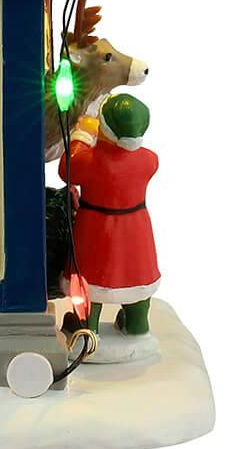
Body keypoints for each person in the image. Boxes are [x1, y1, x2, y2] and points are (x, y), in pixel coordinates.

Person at [59, 93, 159, 336]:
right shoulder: (149, 160)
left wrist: (82, 135)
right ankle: (136, 323)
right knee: (136, 277)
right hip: (136, 230)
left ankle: (86, 326)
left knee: (91, 282)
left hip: (98, 229)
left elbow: (67, 169)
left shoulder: (91, 162)